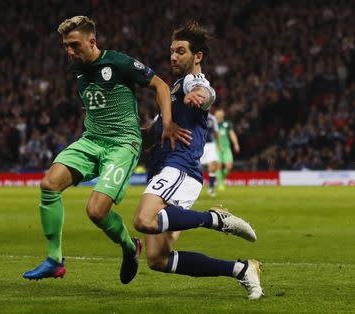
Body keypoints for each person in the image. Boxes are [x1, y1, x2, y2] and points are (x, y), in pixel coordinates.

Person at [23, 16, 190, 284]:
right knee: (49, 185)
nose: (69, 51)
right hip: (91, 140)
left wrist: (166, 122)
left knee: (96, 211)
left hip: (122, 144)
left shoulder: (118, 62)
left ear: (92, 41)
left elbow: (159, 84)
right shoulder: (76, 67)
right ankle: (55, 260)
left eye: (75, 45)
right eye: (66, 45)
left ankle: (129, 246)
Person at [133, 21, 263, 300]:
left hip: (179, 167)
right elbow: (152, 134)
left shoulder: (194, 83)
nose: (173, 56)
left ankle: (216, 219)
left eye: (180, 51)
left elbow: (206, 92)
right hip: (164, 170)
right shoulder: (177, 89)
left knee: (144, 219)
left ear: (198, 56)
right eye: (171, 51)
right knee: (158, 259)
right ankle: (241, 270)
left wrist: (201, 95)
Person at [215, 109, 240, 191]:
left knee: (229, 166)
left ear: (222, 116)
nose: (218, 116)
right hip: (216, 148)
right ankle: (220, 183)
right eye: (217, 115)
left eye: (219, 115)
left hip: (226, 148)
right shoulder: (213, 124)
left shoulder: (227, 124)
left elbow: (232, 134)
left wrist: (236, 144)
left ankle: (222, 177)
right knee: (218, 166)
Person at [199, 112, 220, 196]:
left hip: (211, 144)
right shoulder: (196, 114)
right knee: (197, 166)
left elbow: (216, 131)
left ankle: (211, 188)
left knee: (213, 165)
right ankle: (196, 187)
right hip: (199, 144)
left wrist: (218, 144)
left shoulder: (212, 118)